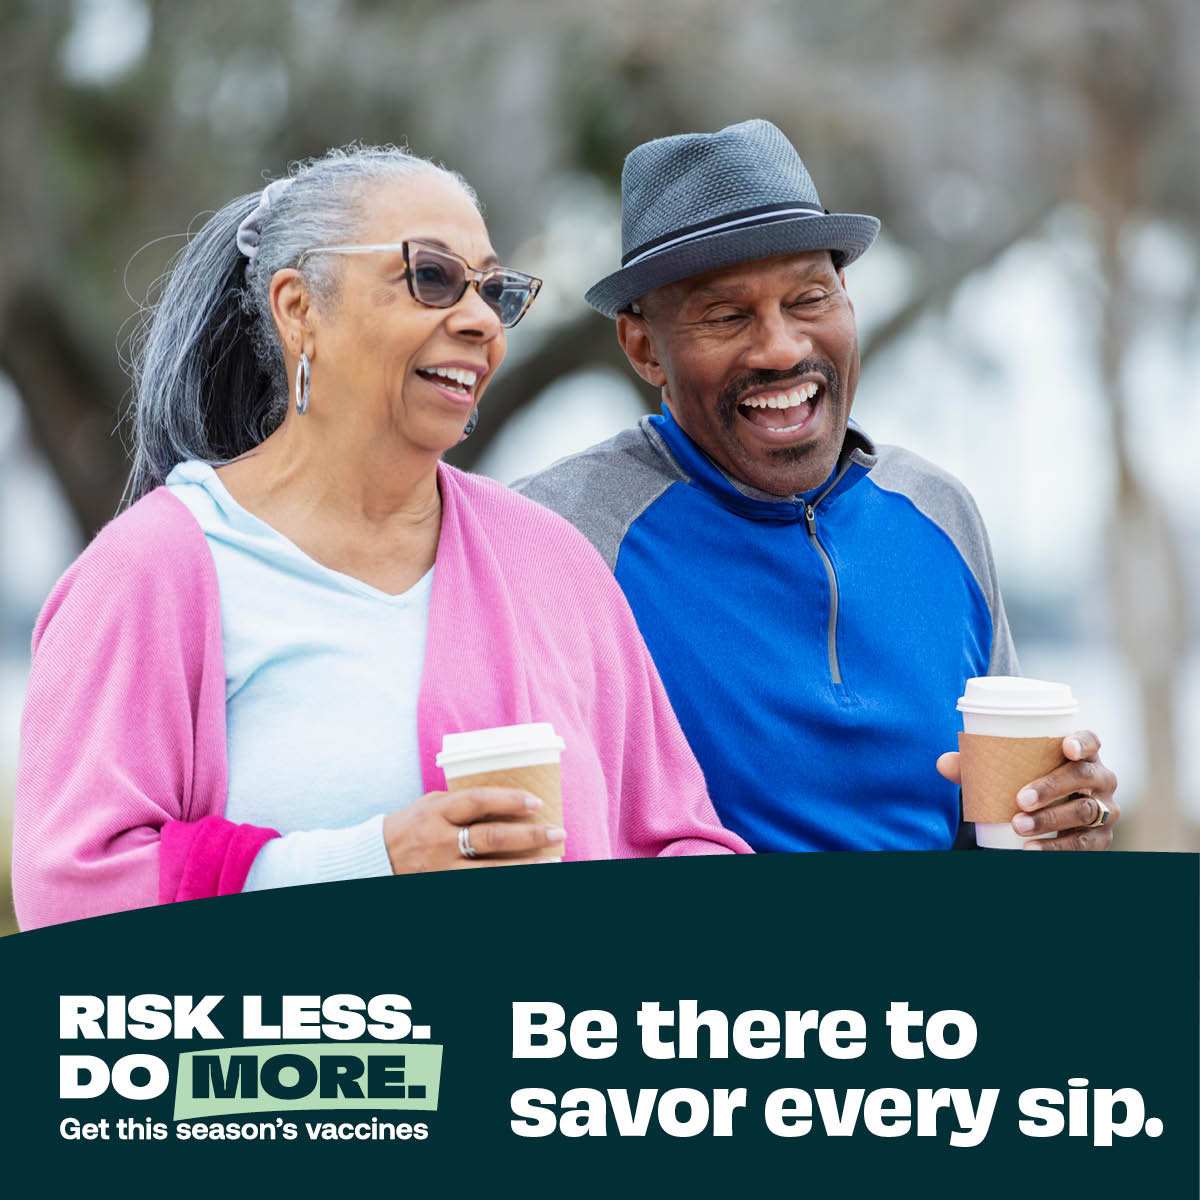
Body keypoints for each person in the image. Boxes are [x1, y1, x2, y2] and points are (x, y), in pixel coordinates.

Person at [13, 144, 748, 930]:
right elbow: (71, 891)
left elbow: (681, 838)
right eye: (430, 277)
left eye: (493, 291)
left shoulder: (549, 560)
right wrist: (374, 861)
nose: (477, 319)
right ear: (298, 308)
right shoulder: (154, 572)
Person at [516, 119, 1119, 852]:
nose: (782, 347)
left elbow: (986, 827)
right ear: (644, 347)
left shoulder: (938, 513)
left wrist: (1056, 821)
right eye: (726, 315)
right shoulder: (556, 536)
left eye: (809, 299)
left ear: (848, 303)